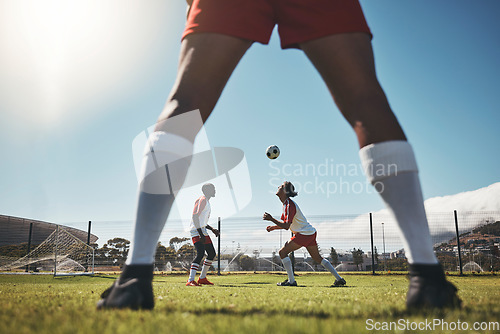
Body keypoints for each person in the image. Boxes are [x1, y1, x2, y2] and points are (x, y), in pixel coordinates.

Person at [97, 0, 461, 310]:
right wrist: (271, 221)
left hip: (303, 233)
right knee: (366, 100)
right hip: (302, 233)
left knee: (185, 103)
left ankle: (135, 277)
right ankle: (428, 277)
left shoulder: (288, 205)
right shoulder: (280, 203)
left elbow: (287, 221)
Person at [264, 181, 346, 287]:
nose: (278, 186)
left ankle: (292, 281)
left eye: (281, 186)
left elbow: (286, 226)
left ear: (285, 191)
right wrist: (273, 228)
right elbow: (286, 224)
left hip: (303, 234)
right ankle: (339, 279)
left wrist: (271, 219)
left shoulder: (289, 205)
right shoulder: (286, 205)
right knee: (317, 258)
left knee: (282, 252)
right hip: (310, 233)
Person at [186, 183, 219, 286]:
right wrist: (200, 234)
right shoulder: (202, 200)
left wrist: (212, 229)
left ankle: (202, 278)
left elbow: (202, 220)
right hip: (196, 230)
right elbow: (195, 216)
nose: (215, 190)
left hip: (202, 230)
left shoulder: (207, 202)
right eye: (213, 189)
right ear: (207, 190)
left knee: (212, 254)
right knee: (200, 253)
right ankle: (190, 280)